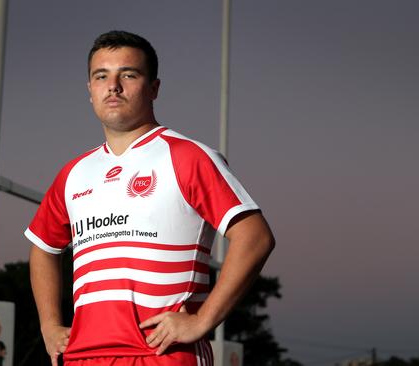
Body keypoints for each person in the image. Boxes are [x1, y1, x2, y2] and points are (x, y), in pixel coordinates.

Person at [26, 30, 275, 366]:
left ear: (154, 88)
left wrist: (202, 322)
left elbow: (255, 237)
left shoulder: (187, 156)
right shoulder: (73, 173)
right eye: (101, 76)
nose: (113, 86)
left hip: (162, 355)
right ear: (90, 90)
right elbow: (43, 247)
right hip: (82, 358)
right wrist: (49, 325)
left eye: (128, 74)